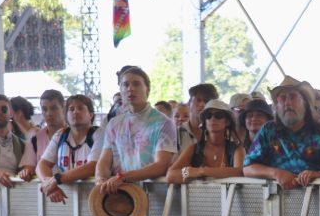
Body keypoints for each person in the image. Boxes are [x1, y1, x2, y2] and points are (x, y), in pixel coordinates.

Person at [242, 76, 320, 188]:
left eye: (293, 97)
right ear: (277, 106)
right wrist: (276, 173)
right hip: (278, 202)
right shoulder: (268, 130)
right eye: (282, 98)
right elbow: (247, 168)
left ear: (305, 104)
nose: (288, 103)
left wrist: (319, 175)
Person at [92, 65, 177, 195]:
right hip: (120, 195)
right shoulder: (113, 124)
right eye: (125, 85)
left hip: (155, 195)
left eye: (136, 84)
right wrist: (101, 181)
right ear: (121, 91)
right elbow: (104, 161)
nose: (130, 88)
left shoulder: (164, 123)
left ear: (147, 90)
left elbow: (161, 166)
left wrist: (122, 177)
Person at [36, 94, 102, 203]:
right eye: (71, 109)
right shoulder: (60, 135)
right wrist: (49, 184)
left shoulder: (99, 134)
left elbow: (93, 166)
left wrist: (57, 179)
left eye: (80, 108)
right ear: (66, 116)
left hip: (95, 198)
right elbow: (42, 164)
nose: (75, 112)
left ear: (91, 115)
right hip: (68, 199)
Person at [167, 99, 245, 186]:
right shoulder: (194, 149)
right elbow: (171, 175)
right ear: (205, 121)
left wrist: (201, 171)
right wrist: (187, 173)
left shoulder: (236, 149)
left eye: (218, 115)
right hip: (197, 199)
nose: (212, 119)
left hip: (228, 199)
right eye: (208, 115)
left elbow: (239, 171)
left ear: (227, 122)